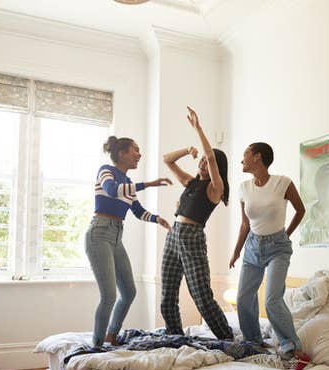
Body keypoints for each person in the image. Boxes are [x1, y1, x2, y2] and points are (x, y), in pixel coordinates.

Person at [86, 136, 172, 348]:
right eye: (135, 149)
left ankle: (111, 335)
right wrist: (149, 184)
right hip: (99, 233)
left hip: (116, 236)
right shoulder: (106, 170)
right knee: (109, 296)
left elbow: (137, 211)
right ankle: (96, 345)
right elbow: (111, 190)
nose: (139, 154)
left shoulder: (128, 184)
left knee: (129, 292)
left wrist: (157, 219)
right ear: (122, 153)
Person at [159, 107, 234, 341]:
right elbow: (167, 160)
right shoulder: (191, 182)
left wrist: (198, 129)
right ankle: (175, 337)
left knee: (200, 294)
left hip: (192, 237)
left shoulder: (215, 189)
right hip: (173, 235)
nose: (202, 161)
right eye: (200, 159)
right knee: (167, 294)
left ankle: (226, 337)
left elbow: (212, 156)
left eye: (205, 160)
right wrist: (186, 150)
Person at [229, 142, 308, 359]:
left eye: (245, 154)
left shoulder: (283, 183)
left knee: (272, 299)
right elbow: (245, 224)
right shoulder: (244, 188)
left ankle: (291, 346)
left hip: (278, 248)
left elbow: (300, 210)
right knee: (244, 297)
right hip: (252, 246)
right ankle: (253, 341)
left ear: (257, 157)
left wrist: (286, 234)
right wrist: (236, 251)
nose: (241, 159)